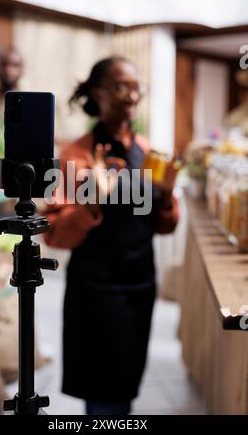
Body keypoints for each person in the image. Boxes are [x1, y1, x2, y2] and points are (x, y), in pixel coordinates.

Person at [44, 56, 179, 415]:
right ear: (98, 93)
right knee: (104, 395)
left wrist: (166, 195)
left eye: (137, 87)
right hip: (97, 291)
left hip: (140, 285)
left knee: (126, 384)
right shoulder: (76, 156)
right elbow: (54, 234)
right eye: (122, 87)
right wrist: (93, 201)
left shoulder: (149, 152)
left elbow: (164, 226)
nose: (132, 96)